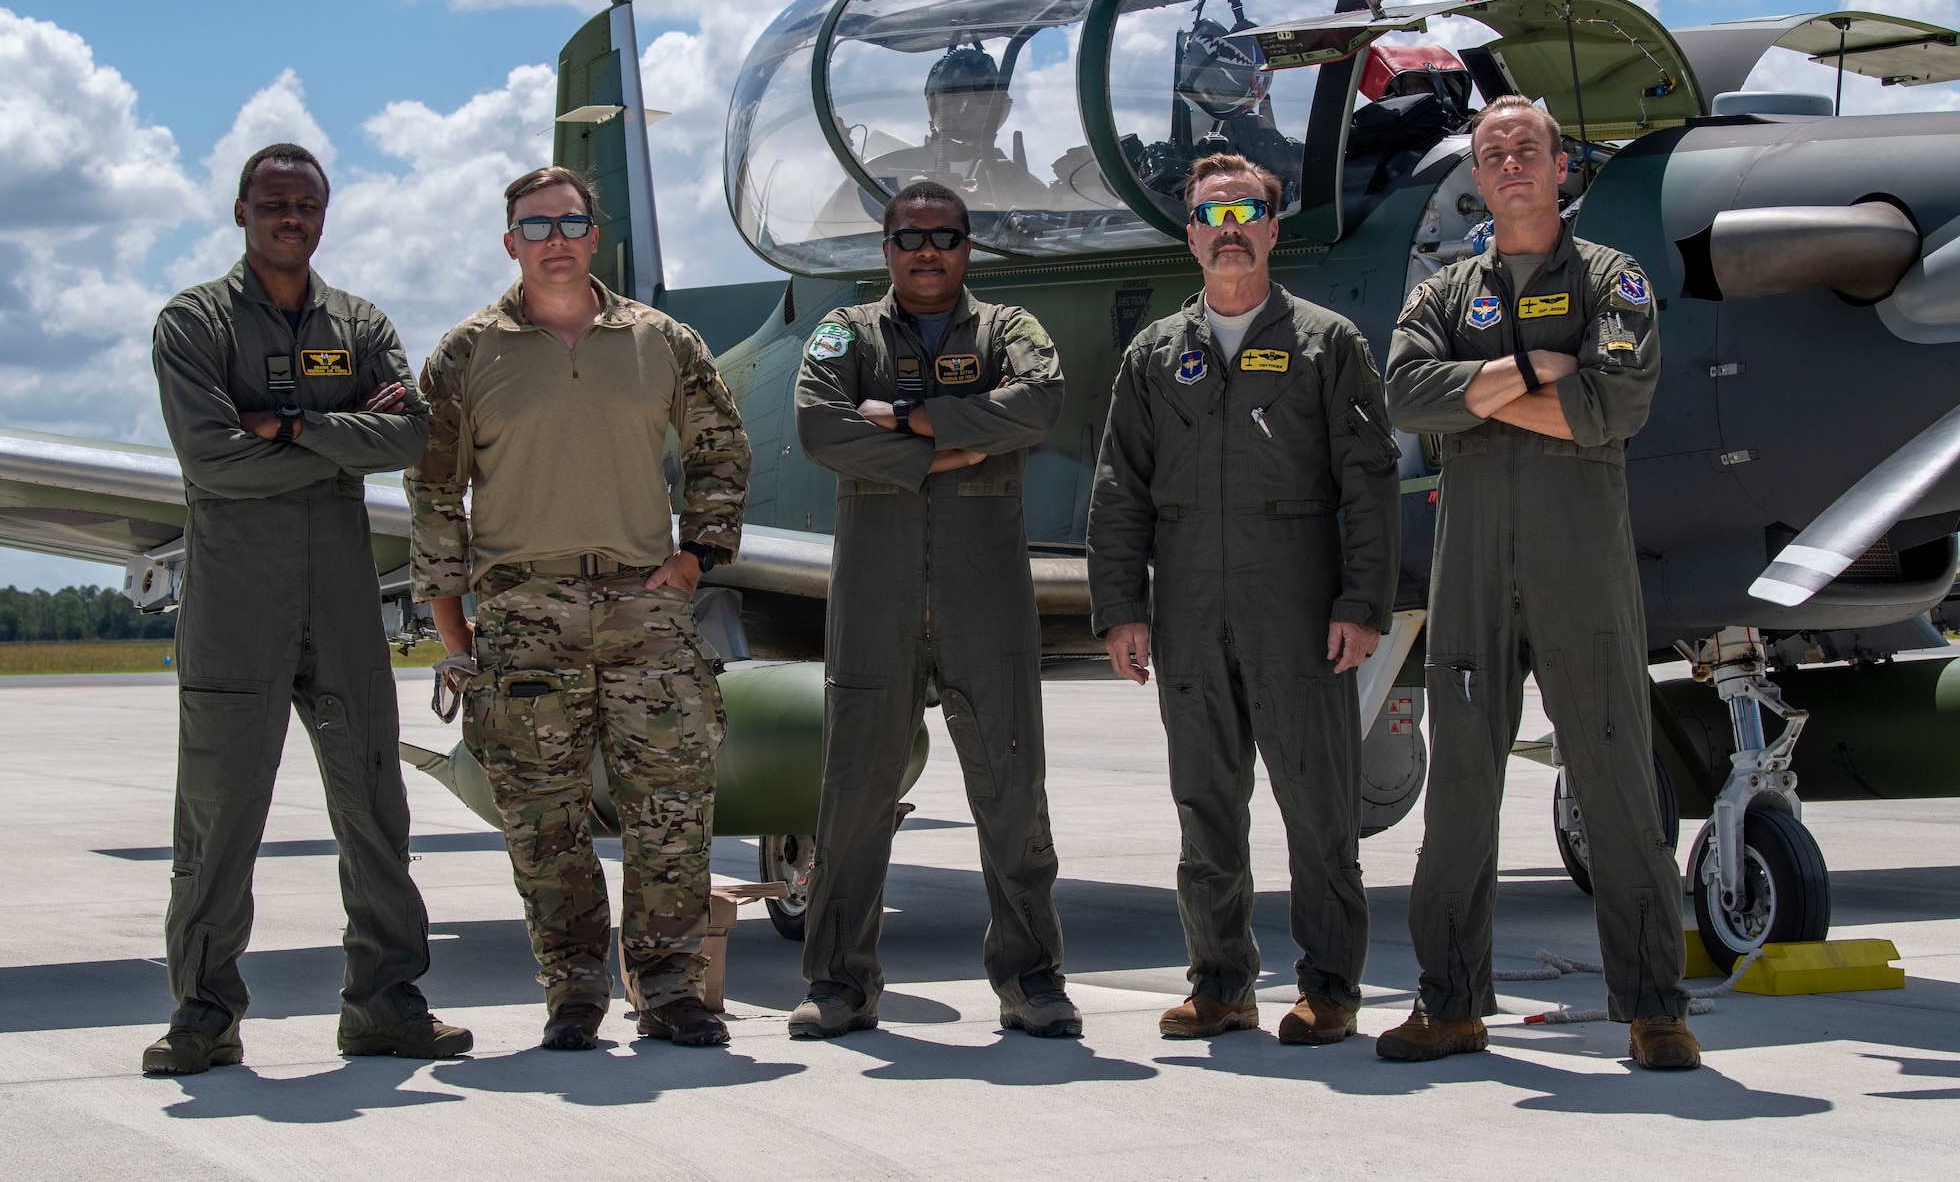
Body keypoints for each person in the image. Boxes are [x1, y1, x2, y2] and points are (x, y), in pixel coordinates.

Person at [1381, 95, 1697, 1071]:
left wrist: (1478, 395)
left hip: (1579, 575)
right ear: (1475, 175)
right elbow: (1401, 391)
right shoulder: (1442, 291)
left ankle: (1652, 1009)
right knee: (1460, 798)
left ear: (1561, 167)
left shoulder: (1611, 280)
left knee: (1615, 787)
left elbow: (1609, 407)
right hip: (1470, 570)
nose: (1508, 163)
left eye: (1526, 148)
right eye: (1491, 151)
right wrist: (1529, 367)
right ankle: (1448, 1003)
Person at [143, 143, 470, 1076]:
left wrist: (288, 424)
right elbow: (211, 460)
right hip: (233, 605)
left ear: (324, 216)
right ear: (240, 211)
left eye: (306, 204)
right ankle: (203, 1016)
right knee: (218, 817)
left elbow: (410, 430)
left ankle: (386, 1003)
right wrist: (341, 441)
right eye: (273, 202)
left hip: (341, 598)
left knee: (375, 807)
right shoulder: (194, 322)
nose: (291, 216)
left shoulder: (359, 321)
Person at [406, 166, 750, 1051]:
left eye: (570, 221)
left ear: (595, 235)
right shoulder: (466, 353)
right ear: (510, 241)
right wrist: (456, 632)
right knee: (542, 818)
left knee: (671, 805)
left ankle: (671, 987)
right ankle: (572, 990)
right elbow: (434, 495)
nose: (554, 237)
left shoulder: (661, 340)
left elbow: (721, 445)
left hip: (645, 605)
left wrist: (694, 556)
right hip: (524, 611)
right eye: (535, 224)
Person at [1086, 153, 1400, 1045]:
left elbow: (1368, 484)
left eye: (1246, 211)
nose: (1229, 228)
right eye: (1211, 214)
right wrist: (1122, 607)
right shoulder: (1156, 353)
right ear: (1192, 236)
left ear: (1270, 228)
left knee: (1318, 803)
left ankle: (1331, 988)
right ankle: (1221, 982)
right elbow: (1120, 491)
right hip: (1188, 604)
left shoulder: (1328, 343)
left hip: (1296, 602)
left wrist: (1362, 601)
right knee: (1205, 800)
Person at [790, 178, 1079, 1040]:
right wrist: (949, 453)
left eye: (945, 237)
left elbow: (1041, 401)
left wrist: (909, 420)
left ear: (967, 248)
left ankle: (1031, 979)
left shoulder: (1008, 330)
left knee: (1013, 790)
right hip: (874, 592)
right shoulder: (846, 332)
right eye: (909, 237)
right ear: (885, 249)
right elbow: (817, 426)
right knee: (853, 793)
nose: (927, 251)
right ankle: (839, 983)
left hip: (984, 590)